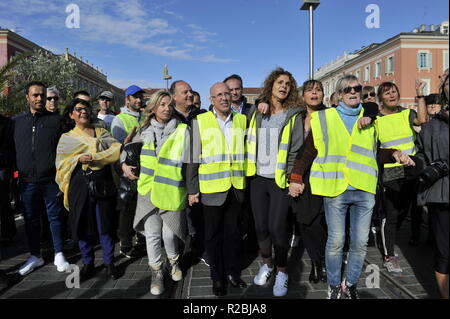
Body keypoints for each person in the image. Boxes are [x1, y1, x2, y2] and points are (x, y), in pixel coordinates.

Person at [290, 75, 415, 299]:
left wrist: (395, 153)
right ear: (338, 95)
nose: (353, 92)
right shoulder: (323, 118)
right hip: (335, 188)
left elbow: (376, 151)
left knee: (359, 243)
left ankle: (352, 284)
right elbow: (308, 151)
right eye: (347, 89)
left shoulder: (371, 117)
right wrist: (296, 178)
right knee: (336, 241)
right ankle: (335, 285)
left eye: (357, 88)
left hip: (364, 188)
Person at [121, 90, 188, 295]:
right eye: (162, 104)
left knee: (169, 234)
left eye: (169, 104)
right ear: (153, 108)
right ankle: (157, 272)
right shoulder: (144, 130)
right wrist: (123, 164)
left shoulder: (182, 130)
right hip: (148, 191)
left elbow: (191, 160)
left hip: (171, 191)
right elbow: (127, 150)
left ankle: (173, 262)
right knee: (152, 235)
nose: (166, 108)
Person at [246, 68, 303, 297]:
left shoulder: (294, 114)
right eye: (280, 82)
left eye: (288, 84)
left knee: (277, 228)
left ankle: (282, 271)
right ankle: (267, 265)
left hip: (278, 180)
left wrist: (291, 178)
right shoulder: (258, 110)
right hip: (257, 178)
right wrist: (260, 102)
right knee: (260, 227)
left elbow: (296, 149)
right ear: (271, 84)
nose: (284, 86)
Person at [187, 82, 248, 297]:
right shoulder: (200, 122)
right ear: (211, 99)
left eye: (227, 94)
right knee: (213, 237)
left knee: (233, 234)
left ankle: (233, 273)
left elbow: (246, 152)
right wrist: (192, 189)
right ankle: (217, 278)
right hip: (212, 189)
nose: (224, 98)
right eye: (219, 95)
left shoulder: (241, 120)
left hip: (236, 187)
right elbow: (193, 159)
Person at [56, 98, 122, 281]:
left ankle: (109, 262)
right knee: (82, 223)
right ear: (71, 114)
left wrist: (94, 157)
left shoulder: (101, 132)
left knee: (105, 224)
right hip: (79, 185)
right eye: (78, 109)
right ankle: (88, 263)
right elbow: (61, 163)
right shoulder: (67, 138)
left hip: (103, 183)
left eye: (86, 108)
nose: (83, 111)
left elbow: (116, 149)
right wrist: (77, 159)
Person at [8, 81, 70, 276]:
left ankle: (59, 252)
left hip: (51, 180)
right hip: (26, 181)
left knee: (55, 218)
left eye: (42, 95)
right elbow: (9, 150)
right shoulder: (16, 122)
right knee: (30, 219)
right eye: (35, 95)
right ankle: (35, 255)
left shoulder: (57, 121)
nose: (40, 99)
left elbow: (66, 150)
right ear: (27, 97)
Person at [375, 80, 427, 273]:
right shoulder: (376, 119)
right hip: (391, 169)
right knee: (391, 213)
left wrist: (419, 94)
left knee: (404, 209)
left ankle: (390, 237)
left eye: (394, 91)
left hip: (410, 167)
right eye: (387, 93)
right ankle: (389, 255)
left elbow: (422, 120)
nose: (392, 95)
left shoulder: (407, 113)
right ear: (381, 98)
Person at [289, 80, 328, 284]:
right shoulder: (295, 116)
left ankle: (320, 261)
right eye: (310, 90)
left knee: (319, 221)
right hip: (297, 174)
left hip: (321, 173)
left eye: (318, 90)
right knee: (305, 220)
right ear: (303, 95)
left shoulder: (330, 115)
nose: (314, 93)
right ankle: (316, 261)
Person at [416, 72, 449, 299]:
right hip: (442, 194)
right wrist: (411, 162)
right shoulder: (433, 126)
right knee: (444, 252)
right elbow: (422, 156)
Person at [170, 80, 206, 261]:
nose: (190, 95)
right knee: (176, 217)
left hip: (197, 174)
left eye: (191, 91)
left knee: (197, 214)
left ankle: (198, 249)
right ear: (174, 96)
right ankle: (176, 255)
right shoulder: (167, 116)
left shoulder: (202, 116)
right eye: (185, 92)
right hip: (173, 176)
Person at [111, 85, 145, 258]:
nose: (139, 100)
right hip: (128, 169)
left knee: (142, 205)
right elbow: (116, 148)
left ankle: (141, 238)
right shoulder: (120, 119)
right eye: (135, 97)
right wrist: (123, 165)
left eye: (140, 97)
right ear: (127, 100)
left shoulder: (145, 116)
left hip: (144, 168)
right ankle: (125, 242)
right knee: (127, 207)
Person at [0, 114, 16, 244]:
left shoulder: (6, 122)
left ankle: (7, 231)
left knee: (2, 197)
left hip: (3, 165)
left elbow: (10, 146)